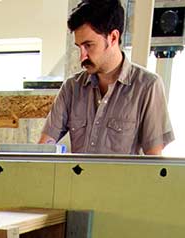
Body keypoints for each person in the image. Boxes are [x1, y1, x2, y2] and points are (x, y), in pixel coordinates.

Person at [40, 1, 173, 155]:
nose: (82, 56)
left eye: (89, 45)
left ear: (113, 37)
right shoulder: (71, 88)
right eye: (79, 47)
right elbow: (44, 148)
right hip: (78, 179)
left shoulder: (148, 87)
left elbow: (153, 163)